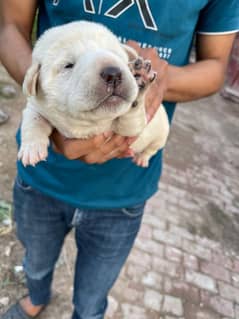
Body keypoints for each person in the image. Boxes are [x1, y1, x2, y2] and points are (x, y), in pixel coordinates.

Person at [0, 1, 238, 318]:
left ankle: (88, 313)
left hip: (124, 191)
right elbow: (9, 25)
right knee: (36, 259)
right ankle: (37, 296)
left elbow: (215, 66)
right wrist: (50, 113)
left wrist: (165, 77)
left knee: (95, 290)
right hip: (42, 176)